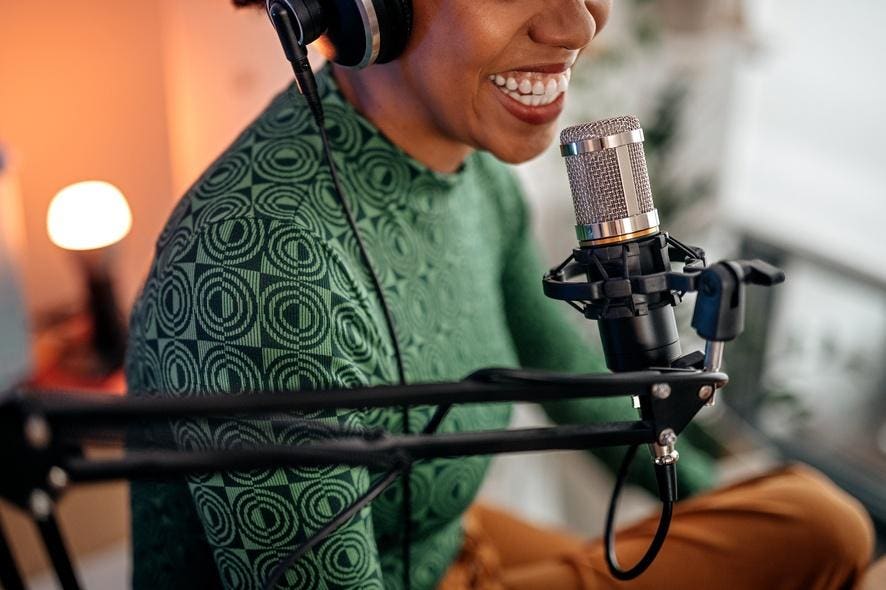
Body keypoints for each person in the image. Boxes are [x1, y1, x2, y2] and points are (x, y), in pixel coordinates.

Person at [124, 1, 875, 588]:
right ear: (367, 8)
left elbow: (569, 379)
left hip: (451, 546)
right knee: (823, 527)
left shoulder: (472, 172)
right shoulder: (262, 269)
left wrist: (716, 498)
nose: (580, 24)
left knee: (799, 523)